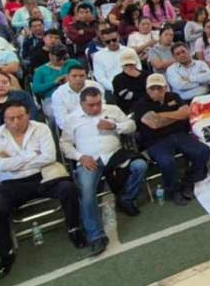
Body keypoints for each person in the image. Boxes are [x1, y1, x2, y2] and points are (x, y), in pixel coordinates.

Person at [0, 100, 82, 280]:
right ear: (4, 120)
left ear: (27, 115)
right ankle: (6, 255)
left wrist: (14, 160)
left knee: (68, 189)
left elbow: (49, 157)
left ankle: (74, 229)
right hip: (11, 184)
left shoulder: (41, 128)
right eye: (11, 118)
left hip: (43, 177)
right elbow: (0, 166)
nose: (16, 122)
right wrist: (32, 156)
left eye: (20, 117)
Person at [60, 87, 147, 256]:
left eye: (98, 103)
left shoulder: (111, 110)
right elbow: (64, 144)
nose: (95, 108)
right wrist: (80, 157)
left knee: (140, 166)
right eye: (91, 105)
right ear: (82, 104)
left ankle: (126, 199)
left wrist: (114, 125)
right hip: (89, 160)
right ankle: (96, 236)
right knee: (86, 190)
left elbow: (131, 125)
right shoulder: (72, 119)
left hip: (115, 154)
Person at [131, 74, 210, 205]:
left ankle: (189, 181)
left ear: (165, 88)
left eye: (159, 88)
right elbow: (154, 124)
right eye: (152, 88)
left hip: (180, 134)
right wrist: (176, 115)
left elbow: (186, 113)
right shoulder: (140, 105)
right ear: (147, 90)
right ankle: (173, 191)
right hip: (155, 141)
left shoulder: (173, 96)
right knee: (167, 162)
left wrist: (161, 115)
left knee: (203, 151)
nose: (156, 91)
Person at [51, 63, 105, 130]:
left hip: (97, 123)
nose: (78, 79)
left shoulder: (96, 86)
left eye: (81, 76)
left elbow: (103, 108)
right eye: (74, 76)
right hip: (73, 128)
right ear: (67, 77)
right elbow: (62, 121)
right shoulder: (58, 94)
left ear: (86, 76)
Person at [91, 29, 134, 93]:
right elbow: (100, 77)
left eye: (114, 40)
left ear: (118, 38)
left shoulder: (129, 51)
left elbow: (138, 69)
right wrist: (114, 87)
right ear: (103, 41)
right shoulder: (98, 56)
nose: (112, 43)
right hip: (111, 89)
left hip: (132, 85)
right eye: (108, 41)